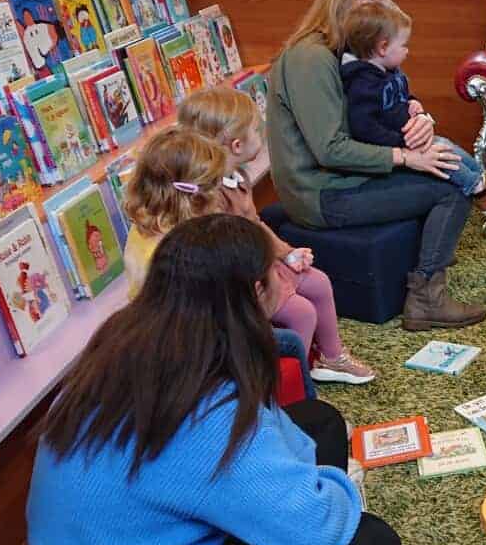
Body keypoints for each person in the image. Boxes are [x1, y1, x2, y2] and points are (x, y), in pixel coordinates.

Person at [27, 215, 404, 545]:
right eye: (275, 272)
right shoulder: (208, 408)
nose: (285, 279)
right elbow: (313, 532)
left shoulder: (134, 334)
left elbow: (268, 433)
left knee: (321, 421)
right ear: (252, 291)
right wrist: (334, 495)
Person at [267, 0, 484, 331]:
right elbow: (330, 149)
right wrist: (406, 157)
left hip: (347, 177)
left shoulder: (349, 51)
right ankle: (426, 299)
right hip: (322, 193)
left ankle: (428, 272)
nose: (386, 14)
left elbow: (387, 97)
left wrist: (421, 119)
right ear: (349, 2)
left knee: (442, 163)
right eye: (379, 4)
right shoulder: (311, 58)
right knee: (449, 189)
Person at [123, 127, 374, 385]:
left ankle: (300, 376)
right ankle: (279, 388)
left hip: (210, 311)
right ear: (189, 193)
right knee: (299, 318)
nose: (219, 194)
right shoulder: (175, 250)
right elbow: (209, 311)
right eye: (213, 185)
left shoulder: (162, 222)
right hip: (195, 334)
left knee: (304, 298)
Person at [337, 1, 486, 216]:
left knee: (447, 145)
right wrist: (401, 145)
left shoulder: (388, 70)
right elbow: (364, 127)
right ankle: (481, 194)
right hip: (395, 148)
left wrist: (412, 103)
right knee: (442, 154)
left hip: (410, 138)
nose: (407, 51)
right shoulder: (363, 84)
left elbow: (399, 94)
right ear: (383, 48)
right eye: (403, 45)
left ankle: (484, 180)